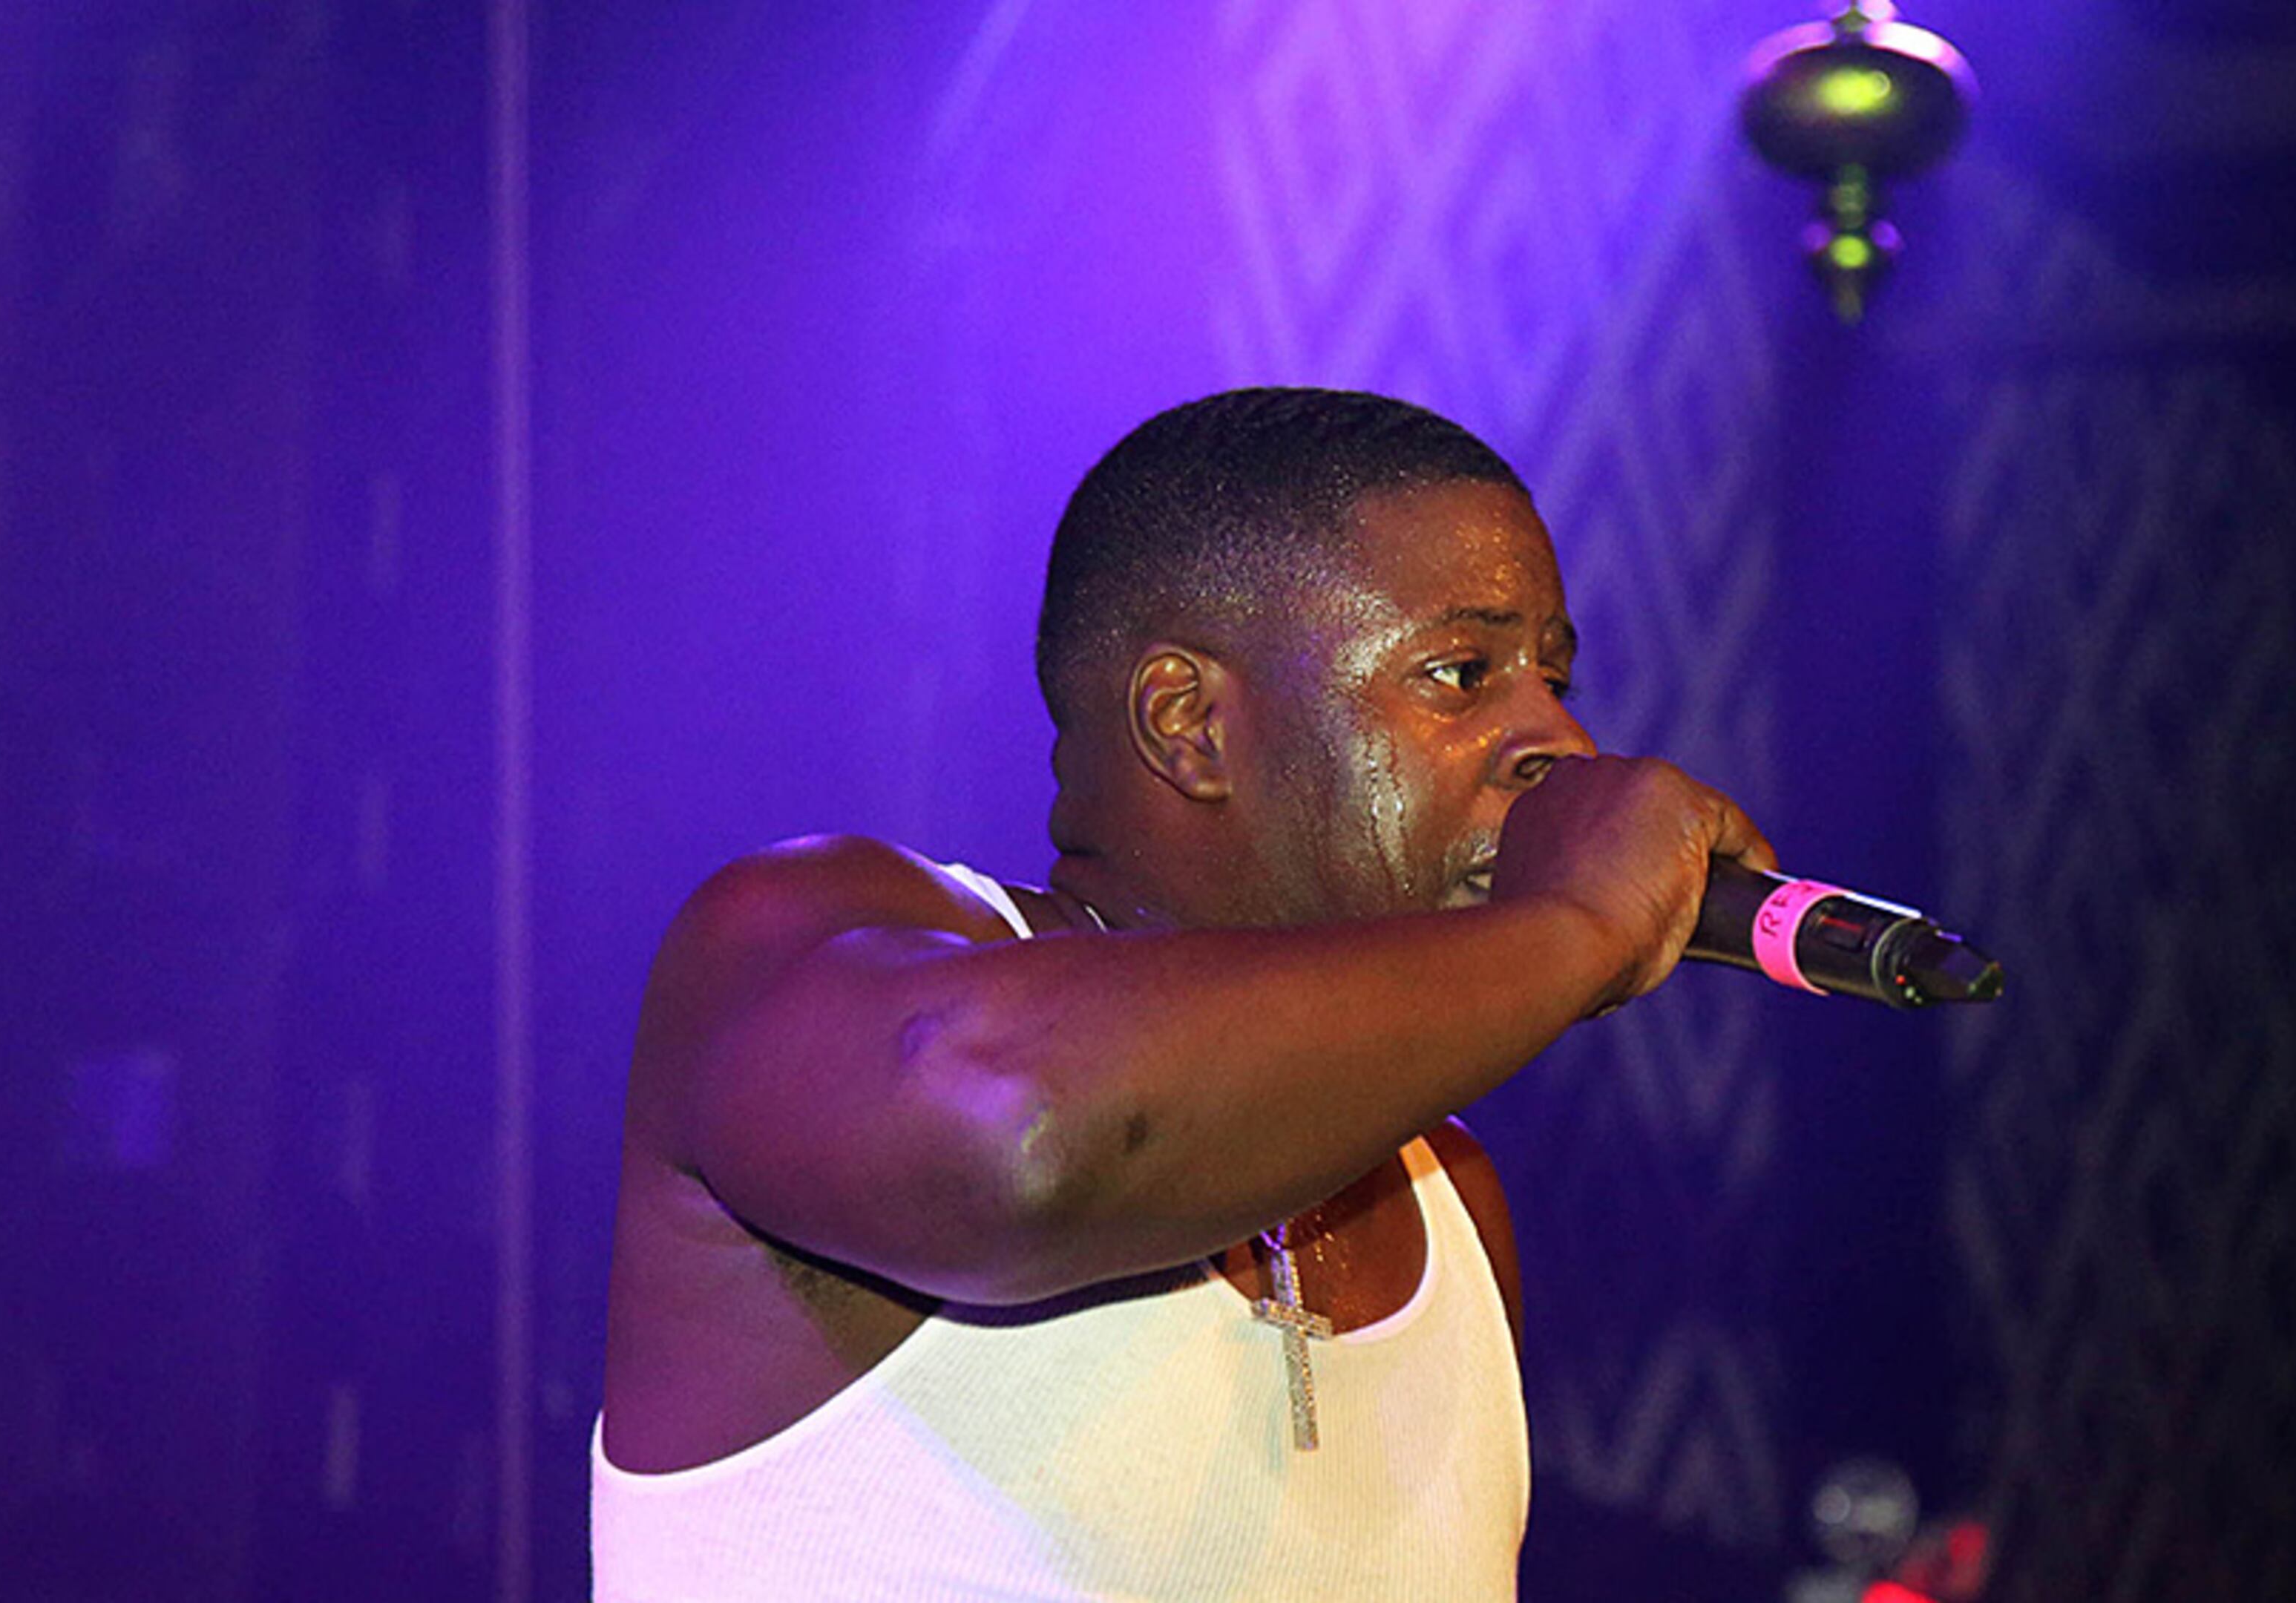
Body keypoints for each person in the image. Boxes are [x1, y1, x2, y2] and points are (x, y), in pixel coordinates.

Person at [591, 387, 1774, 1599]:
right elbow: (1023, 1143)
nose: (1562, 741)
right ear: (1189, 723)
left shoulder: (1452, 1203)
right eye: (1463, 673)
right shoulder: (787, 934)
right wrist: (1582, 929)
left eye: (1554, 676)